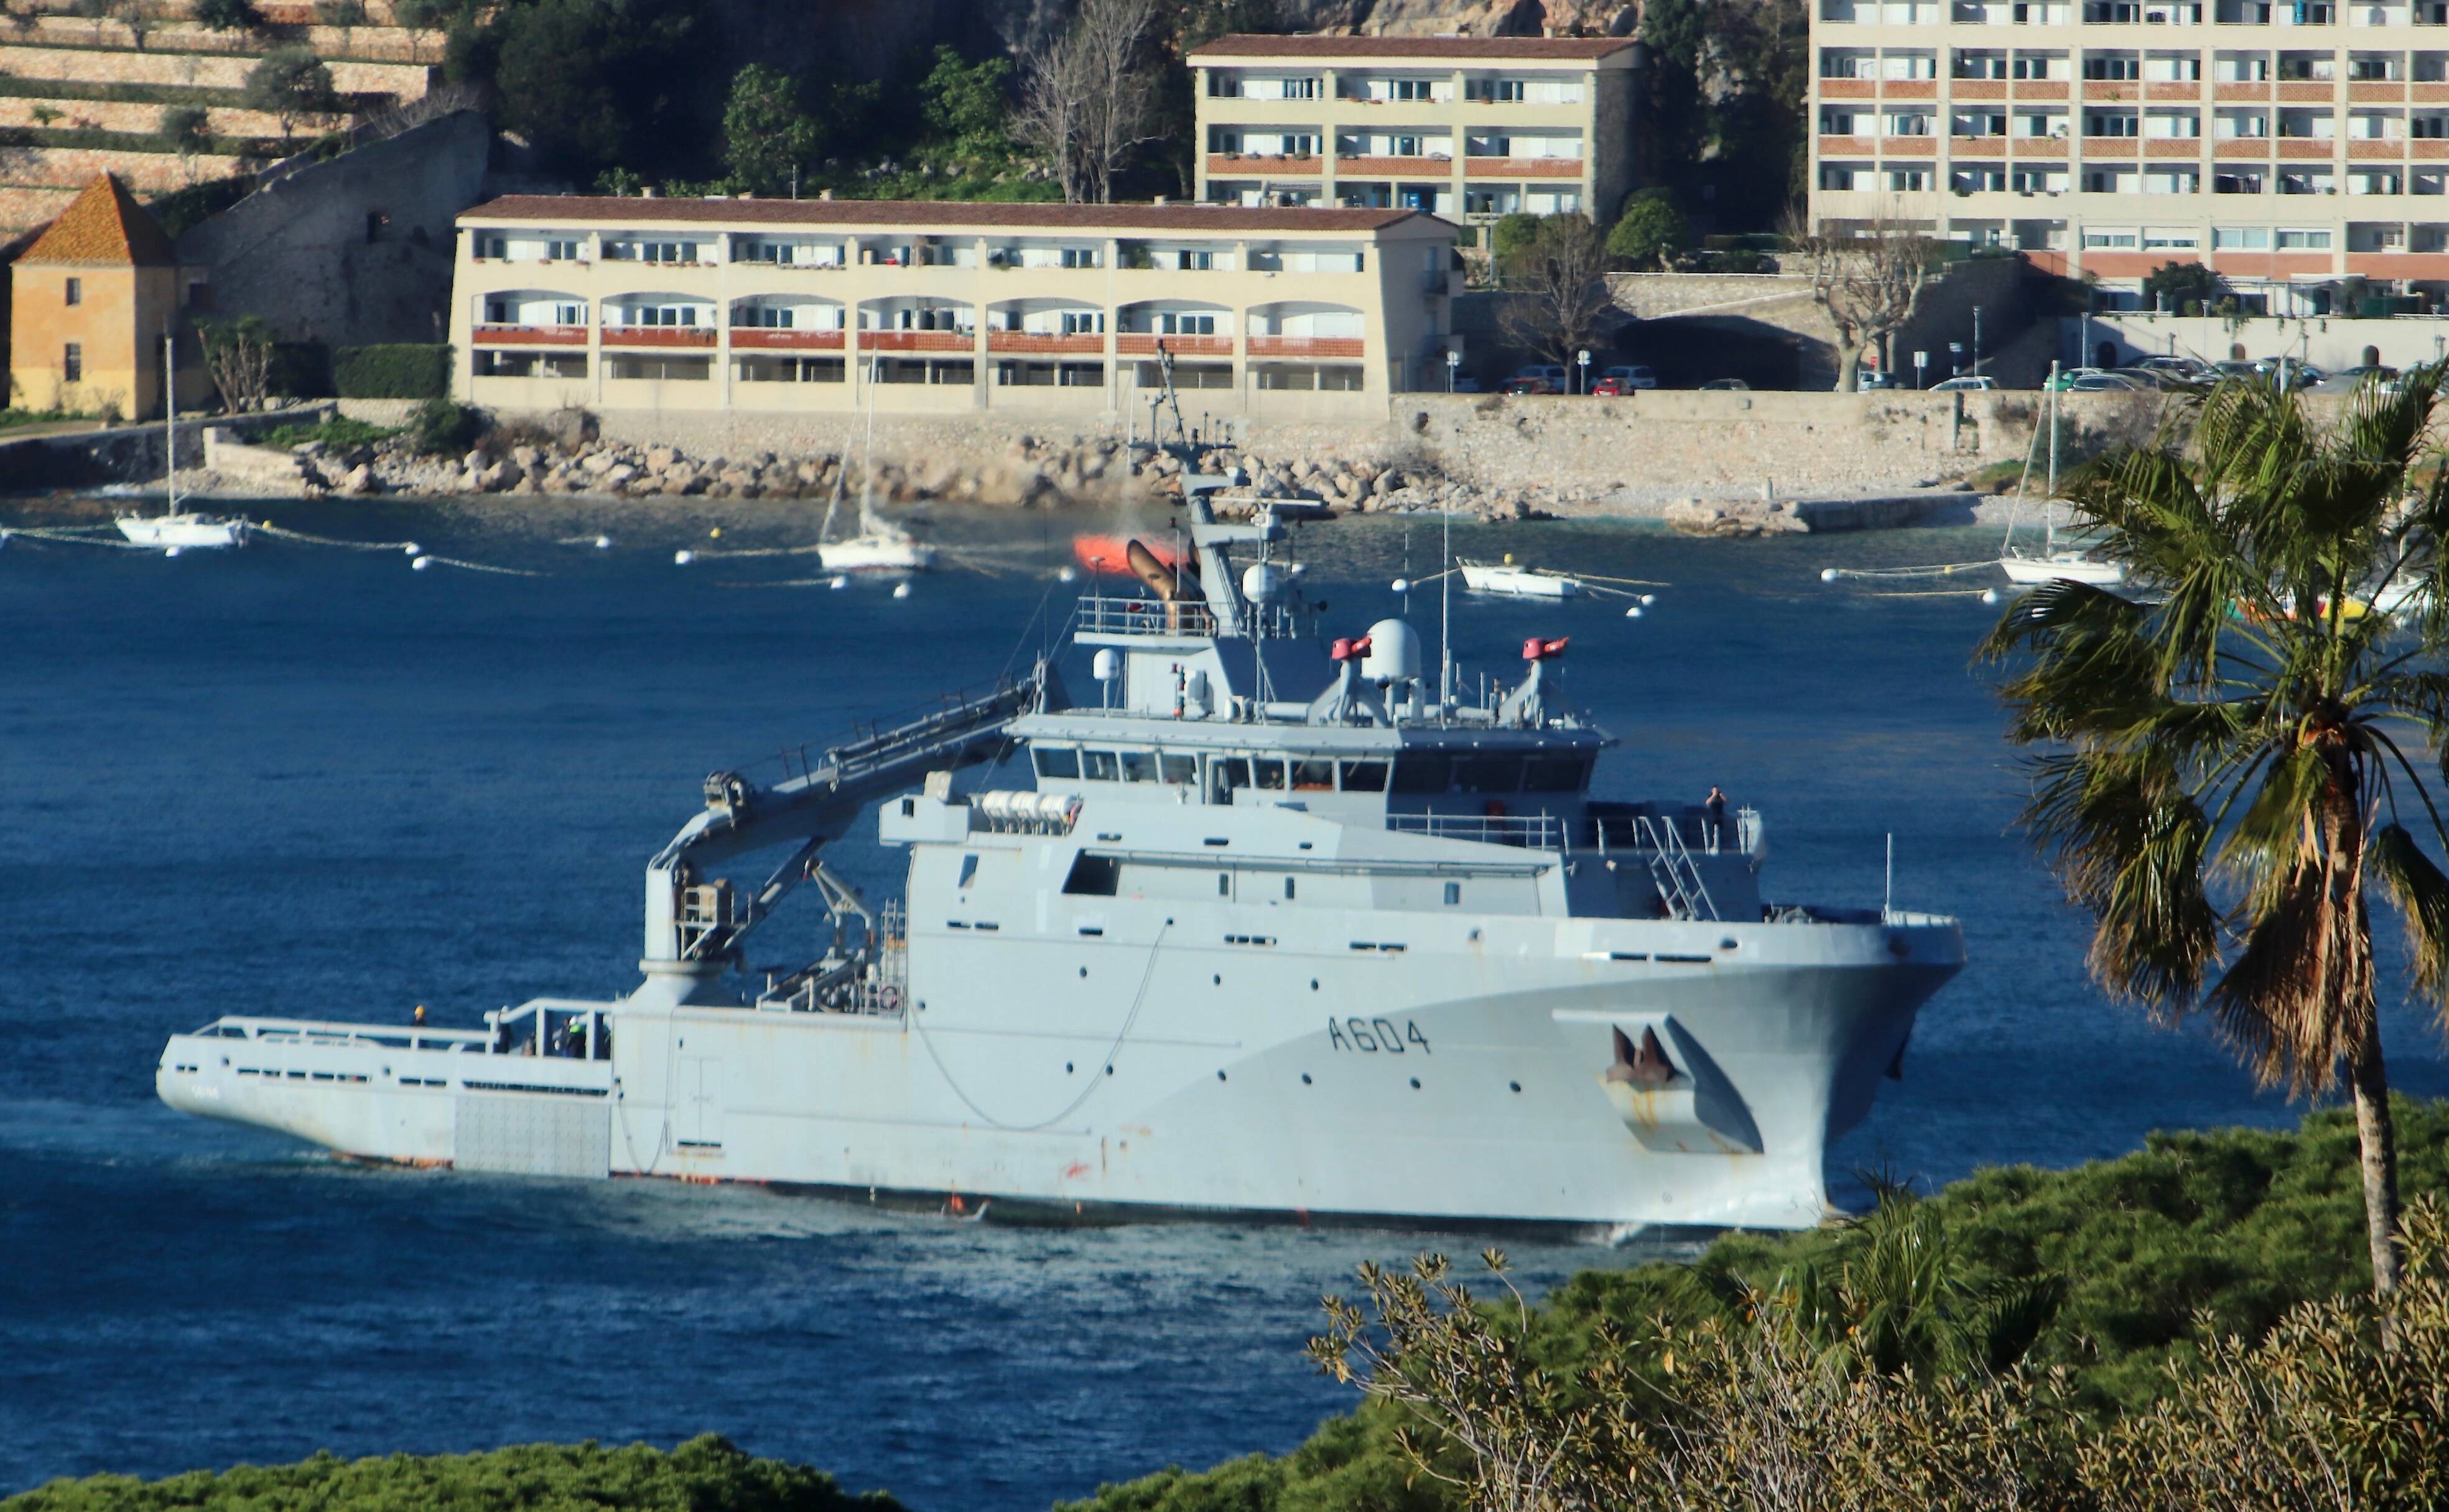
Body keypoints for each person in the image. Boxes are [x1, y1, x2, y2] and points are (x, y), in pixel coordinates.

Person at [1704, 786, 1729, 851]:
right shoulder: (1711, 796)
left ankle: (1721, 844)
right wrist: (1713, 795)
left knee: (1721, 830)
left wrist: (1722, 795)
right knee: (1713, 831)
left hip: (1720, 816)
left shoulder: (1721, 797)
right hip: (1713, 816)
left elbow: (1727, 801)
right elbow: (1707, 802)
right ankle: (1714, 844)